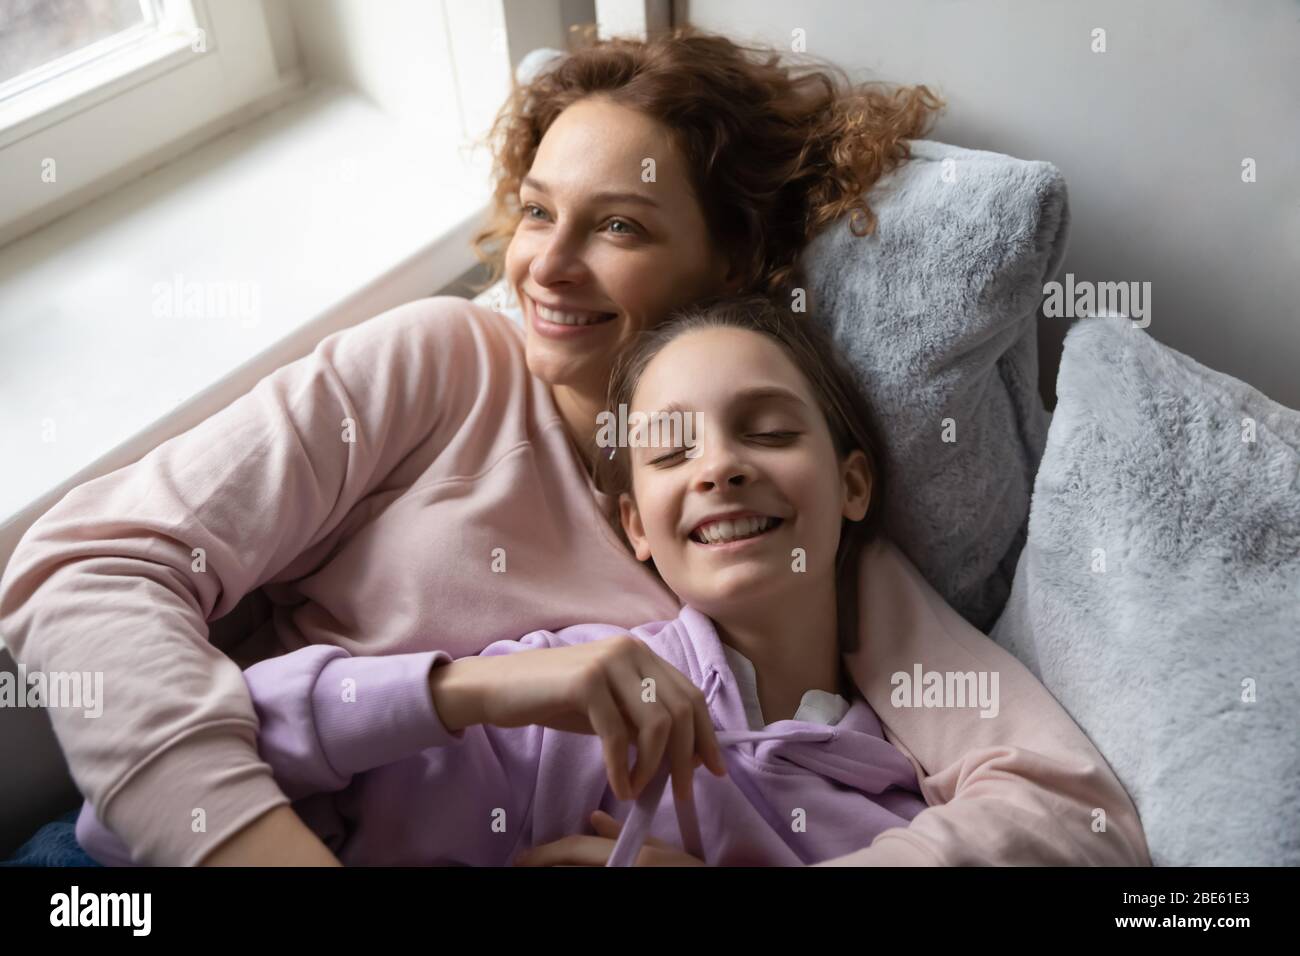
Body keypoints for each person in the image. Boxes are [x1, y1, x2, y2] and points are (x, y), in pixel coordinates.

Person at [0, 28, 1149, 867]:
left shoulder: (772, 532)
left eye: (618, 226)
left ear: (730, 268)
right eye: (539, 210)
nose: (544, 265)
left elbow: (1066, 809)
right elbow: (86, 566)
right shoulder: (441, 363)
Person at [71, 297, 1136, 866]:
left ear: (853, 485)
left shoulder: (897, 797)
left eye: (767, 431)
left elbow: (1086, 829)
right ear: (634, 526)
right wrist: (461, 692)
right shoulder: (571, 696)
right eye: (669, 453)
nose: (719, 463)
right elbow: (127, 819)